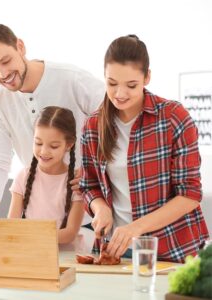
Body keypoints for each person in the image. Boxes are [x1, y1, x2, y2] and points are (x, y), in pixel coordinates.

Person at [80, 34, 209, 262]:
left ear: (147, 77)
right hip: (114, 249)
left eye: (131, 85)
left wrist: (134, 228)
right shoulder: (93, 125)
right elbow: (89, 185)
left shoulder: (173, 118)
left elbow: (190, 194)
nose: (119, 94)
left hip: (172, 250)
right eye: (112, 84)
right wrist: (100, 209)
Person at [0, 23, 105, 218]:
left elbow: (116, 125)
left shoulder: (72, 79)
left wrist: (93, 172)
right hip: (36, 221)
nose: (3, 74)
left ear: (20, 47)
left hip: (85, 215)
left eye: (6, 61)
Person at [8, 106, 85, 248]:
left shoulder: (76, 181)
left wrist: (29, 234)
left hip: (66, 259)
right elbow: (12, 225)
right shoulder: (23, 177)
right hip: (31, 255)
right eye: (38, 143)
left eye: (54, 146)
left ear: (69, 145)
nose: (44, 151)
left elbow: (69, 233)